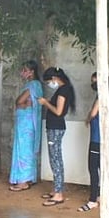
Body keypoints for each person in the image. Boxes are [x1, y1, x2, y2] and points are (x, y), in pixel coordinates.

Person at [38, 67, 75, 206]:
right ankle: (56, 190)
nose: (49, 84)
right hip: (55, 127)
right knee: (55, 159)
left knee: (55, 160)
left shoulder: (62, 90)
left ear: (54, 78)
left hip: (55, 128)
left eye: (49, 81)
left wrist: (46, 103)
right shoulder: (65, 89)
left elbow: (59, 112)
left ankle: (58, 194)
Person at [79, 72, 109, 212]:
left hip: (96, 138)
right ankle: (102, 197)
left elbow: (94, 113)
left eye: (94, 81)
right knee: (102, 169)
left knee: (93, 169)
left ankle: (93, 200)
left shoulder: (102, 96)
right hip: (104, 138)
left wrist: (87, 119)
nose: (92, 84)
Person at [9, 60, 43, 192]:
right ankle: (28, 178)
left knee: (23, 151)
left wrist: (21, 104)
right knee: (27, 150)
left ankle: (23, 181)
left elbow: (19, 101)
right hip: (28, 122)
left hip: (26, 124)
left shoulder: (33, 85)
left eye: (25, 70)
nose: (22, 72)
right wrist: (23, 105)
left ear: (31, 72)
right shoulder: (35, 85)